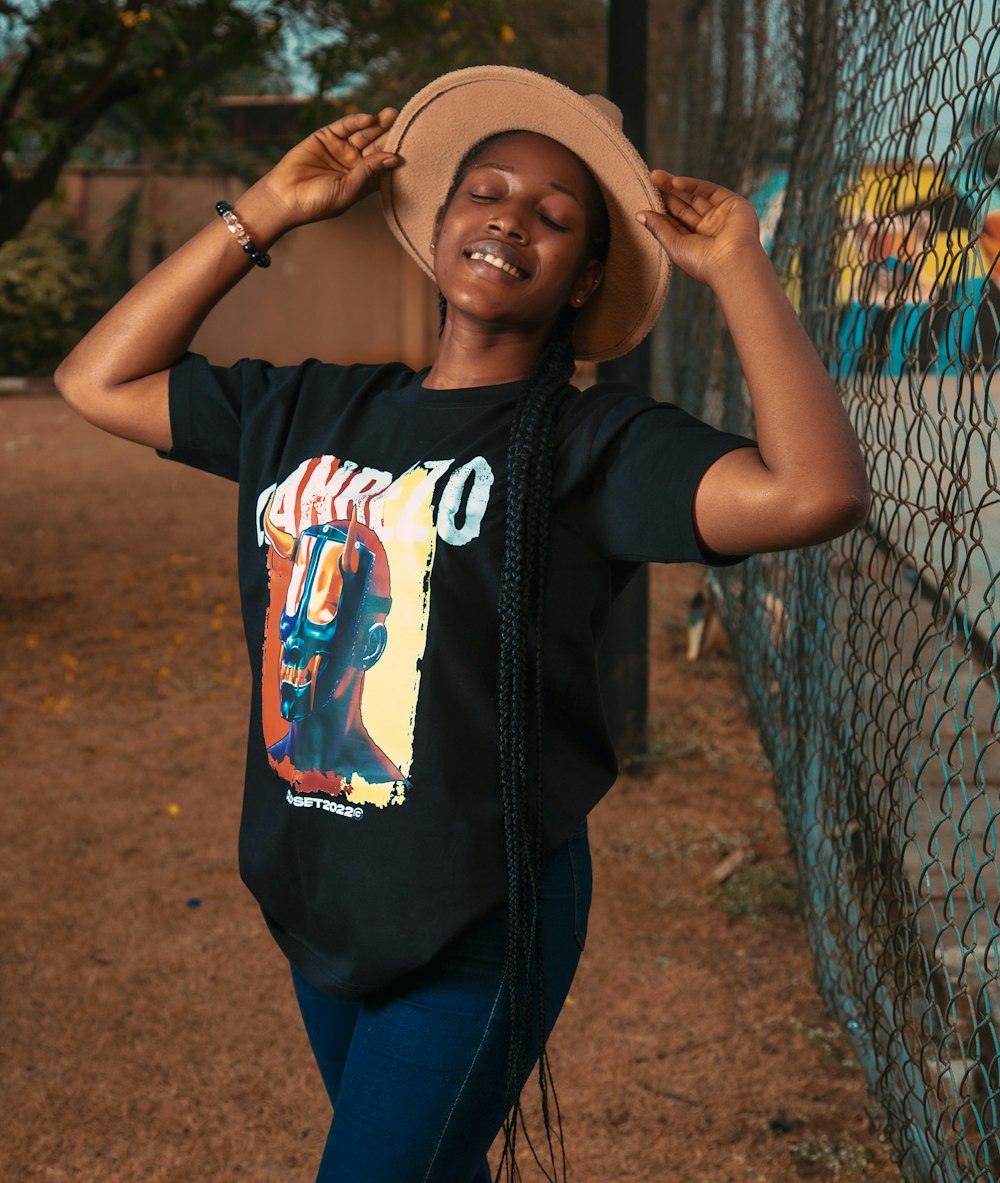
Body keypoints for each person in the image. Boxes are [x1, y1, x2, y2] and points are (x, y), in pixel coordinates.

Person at [55, 66, 870, 1183]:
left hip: (478, 908)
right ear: (436, 226)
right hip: (317, 887)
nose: (509, 219)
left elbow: (813, 491)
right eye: (485, 191)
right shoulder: (310, 408)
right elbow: (96, 379)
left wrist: (736, 268)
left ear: (585, 276)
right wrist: (268, 211)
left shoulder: (593, 447)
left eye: (553, 215)